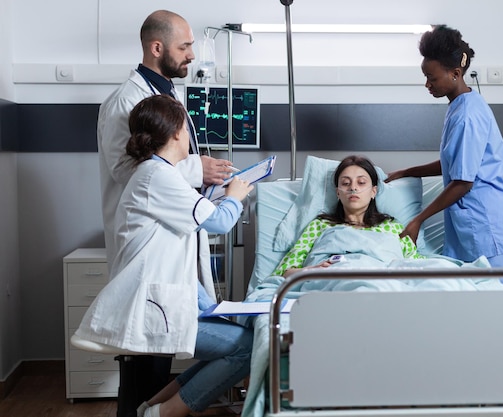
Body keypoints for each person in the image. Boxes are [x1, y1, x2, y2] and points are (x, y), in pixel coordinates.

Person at [75, 95, 254, 417]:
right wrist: (235, 196)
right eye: (186, 128)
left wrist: (209, 307)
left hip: (170, 301)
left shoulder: (159, 174)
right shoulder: (157, 177)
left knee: (244, 338)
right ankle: (164, 413)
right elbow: (220, 221)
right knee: (245, 348)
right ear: (175, 133)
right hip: (154, 309)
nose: (188, 136)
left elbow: (176, 260)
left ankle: (152, 408)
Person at [96, 9, 235, 409]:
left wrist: (202, 180)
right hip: (145, 255)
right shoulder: (127, 100)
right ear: (157, 48)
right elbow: (128, 169)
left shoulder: (164, 95)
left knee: (155, 363)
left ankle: (152, 410)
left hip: (168, 248)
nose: (192, 55)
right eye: (185, 46)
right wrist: (198, 168)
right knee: (143, 367)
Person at [385, 25, 503, 290]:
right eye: (425, 76)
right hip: (479, 229)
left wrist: (418, 220)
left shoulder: (467, 116)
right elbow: (455, 162)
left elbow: (463, 181)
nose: (427, 84)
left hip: (491, 231)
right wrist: (407, 172)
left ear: (455, 73)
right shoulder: (463, 103)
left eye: (432, 78)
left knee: (500, 314)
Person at [274, 155, 424, 278]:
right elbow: (285, 271)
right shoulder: (321, 225)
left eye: (361, 182)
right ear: (338, 193)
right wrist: (310, 271)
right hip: (332, 283)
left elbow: (416, 265)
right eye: (346, 183)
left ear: (373, 191)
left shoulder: (392, 226)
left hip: (382, 282)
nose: (353, 188)